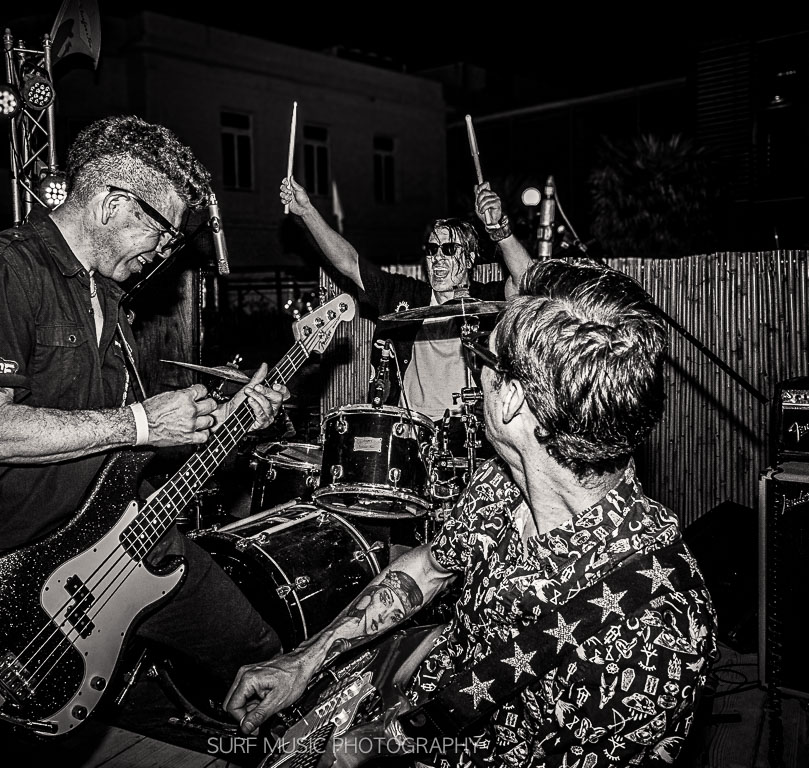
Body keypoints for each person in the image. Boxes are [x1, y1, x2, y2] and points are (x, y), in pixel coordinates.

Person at [224, 257, 719, 768]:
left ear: (511, 400)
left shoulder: (656, 635)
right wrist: (305, 661)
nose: (476, 371)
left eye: (484, 355)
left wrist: (376, 748)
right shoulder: (502, 482)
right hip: (420, 703)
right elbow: (430, 567)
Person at [0, 115, 290, 767]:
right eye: (162, 230)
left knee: (263, 657)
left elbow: (122, 441)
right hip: (23, 572)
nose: (164, 251)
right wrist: (140, 421)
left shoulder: (110, 300)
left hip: (131, 540)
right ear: (113, 203)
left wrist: (226, 421)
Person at [280, 176, 534, 431]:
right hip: (409, 428)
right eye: (432, 250)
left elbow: (526, 279)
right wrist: (307, 211)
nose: (437, 258)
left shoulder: (486, 300)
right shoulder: (406, 295)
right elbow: (349, 262)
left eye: (448, 249)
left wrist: (499, 230)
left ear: (469, 259)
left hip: (466, 431)